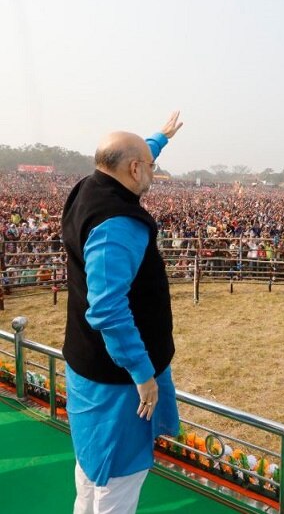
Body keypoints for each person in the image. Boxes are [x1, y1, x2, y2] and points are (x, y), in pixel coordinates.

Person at [61, 111, 184, 514]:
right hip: (118, 383)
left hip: (88, 364)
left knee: (89, 472)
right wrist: (143, 374)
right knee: (119, 482)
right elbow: (110, 309)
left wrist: (159, 139)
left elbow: (131, 157)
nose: (153, 171)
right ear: (134, 169)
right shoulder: (119, 223)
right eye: (149, 166)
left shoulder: (89, 187)